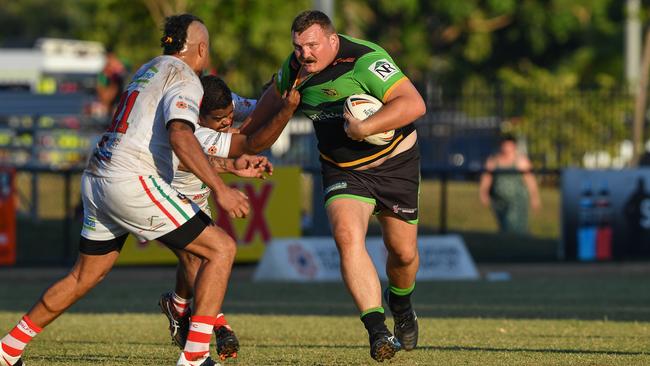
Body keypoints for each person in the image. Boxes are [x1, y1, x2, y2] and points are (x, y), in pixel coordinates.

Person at [0, 14, 248, 366]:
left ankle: (7, 350)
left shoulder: (149, 68)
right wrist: (220, 188)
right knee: (221, 248)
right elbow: (181, 135)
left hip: (98, 175)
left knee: (84, 275)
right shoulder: (186, 78)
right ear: (202, 49)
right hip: (130, 179)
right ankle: (194, 359)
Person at [241, 10, 426, 362]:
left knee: (402, 253)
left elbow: (414, 104)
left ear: (332, 39)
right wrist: (230, 136)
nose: (305, 54)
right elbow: (261, 114)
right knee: (346, 236)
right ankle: (378, 332)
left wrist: (365, 128)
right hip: (343, 170)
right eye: (298, 47)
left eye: (312, 45)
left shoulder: (364, 60)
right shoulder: (294, 70)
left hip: (396, 164)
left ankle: (401, 305)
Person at [158, 74, 299, 360]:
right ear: (197, 114)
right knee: (201, 256)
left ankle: (178, 305)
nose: (227, 120)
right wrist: (284, 111)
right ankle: (219, 327)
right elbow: (246, 142)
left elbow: (255, 109)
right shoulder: (187, 127)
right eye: (220, 117)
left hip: (197, 197)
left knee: (195, 258)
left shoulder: (222, 101)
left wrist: (278, 90)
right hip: (166, 196)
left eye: (229, 114)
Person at [479, 134, 541, 234]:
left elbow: (530, 180)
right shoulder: (494, 161)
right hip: (499, 201)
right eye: (505, 145)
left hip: (517, 201)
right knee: (504, 226)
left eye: (509, 145)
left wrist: (535, 198)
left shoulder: (521, 161)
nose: (507, 148)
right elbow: (487, 178)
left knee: (515, 225)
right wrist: (483, 193)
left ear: (514, 146)